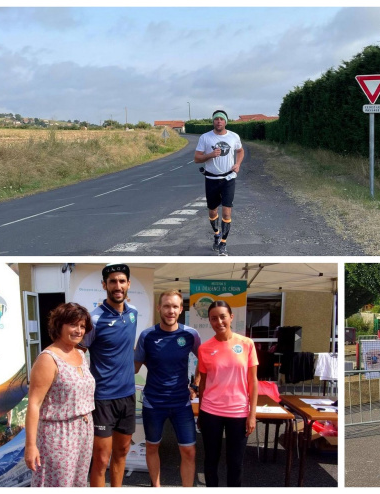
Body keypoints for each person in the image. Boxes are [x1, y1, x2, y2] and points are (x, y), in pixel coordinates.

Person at [135, 290, 201, 486]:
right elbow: (135, 364)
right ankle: (156, 487)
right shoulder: (147, 335)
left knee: (189, 451)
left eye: (174, 306)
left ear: (181, 309)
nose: (170, 310)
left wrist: (195, 385)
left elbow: (204, 361)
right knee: (152, 446)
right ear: (159, 308)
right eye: (166, 306)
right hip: (153, 403)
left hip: (181, 402)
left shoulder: (190, 334)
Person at [25, 303, 95, 487]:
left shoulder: (81, 354)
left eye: (82, 326)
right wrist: (31, 446)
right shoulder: (48, 359)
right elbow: (34, 403)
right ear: (59, 325)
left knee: (78, 483)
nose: (79, 330)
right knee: (58, 484)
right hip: (58, 434)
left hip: (84, 430)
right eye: (73, 325)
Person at [83, 263, 139, 487]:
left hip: (128, 395)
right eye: (113, 281)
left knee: (122, 452)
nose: (118, 286)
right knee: (101, 459)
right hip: (103, 399)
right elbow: (79, 351)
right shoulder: (93, 319)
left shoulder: (133, 313)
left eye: (122, 281)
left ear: (128, 284)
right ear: (104, 285)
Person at [194, 301, 258, 487]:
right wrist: (200, 412)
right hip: (210, 412)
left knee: (235, 463)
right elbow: (204, 382)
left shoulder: (246, 344)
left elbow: (253, 382)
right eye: (214, 318)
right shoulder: (204, 348)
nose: (219, 322)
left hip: (238, 413)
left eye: (223, 316)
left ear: (231, 317)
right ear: (210, 321)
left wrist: (252, 414)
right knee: (210, 460)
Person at [194, 109, 245, 256]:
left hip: (229, 178)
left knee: (227, 212)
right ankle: (216, 233)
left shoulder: (234, 137)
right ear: (213, 121)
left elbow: (240, 151)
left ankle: (223, 243)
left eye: (221, 119)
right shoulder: (205, 138)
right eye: (216, 119)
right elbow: (197, 158)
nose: (219, 121)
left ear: (225, 122)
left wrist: (238, 164)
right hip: (211, 179)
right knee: (212, 211)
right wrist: (210, 155)